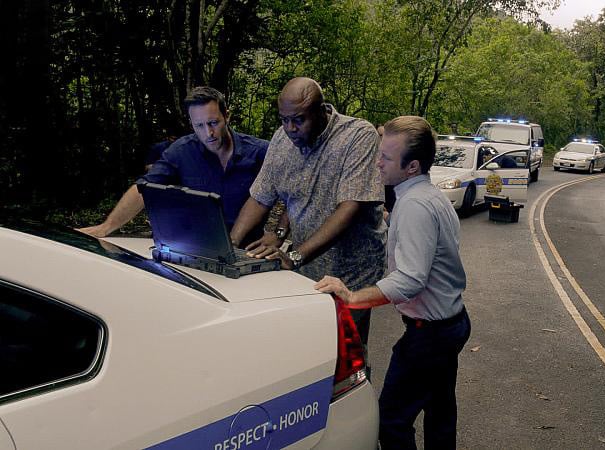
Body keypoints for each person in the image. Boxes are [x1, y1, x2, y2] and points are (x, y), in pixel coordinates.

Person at [315, 116, 471, 450]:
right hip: (451, 323)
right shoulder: (430, 196)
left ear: (412, 166)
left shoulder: (415, 205)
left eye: (386, 157)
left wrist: (352, 296)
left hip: (429, 334)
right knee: (440, 410)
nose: (377, 162)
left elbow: (410, 280)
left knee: (391, 420)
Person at [229, 77, 386, 347]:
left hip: (351, 273)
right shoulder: (282, 139)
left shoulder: (357, 136)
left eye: (299, 120)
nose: (290, 128)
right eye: (284, 120)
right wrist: (228, 247)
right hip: (307, 269)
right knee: (310, 348)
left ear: (321, 110)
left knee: (346, 357)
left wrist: (292, 256)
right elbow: (261, 197)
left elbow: (349, 208)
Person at [78, 87, 269, 245]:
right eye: (199, 125)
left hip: (249, 249)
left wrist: (277, 235)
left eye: (213, 123)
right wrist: (106, 226)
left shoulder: (260, 151)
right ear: (191, 123)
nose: (208, 132)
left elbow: (291, 192)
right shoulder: (181, 151)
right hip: (197, 247)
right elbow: (144, 189)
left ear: (227, 116)